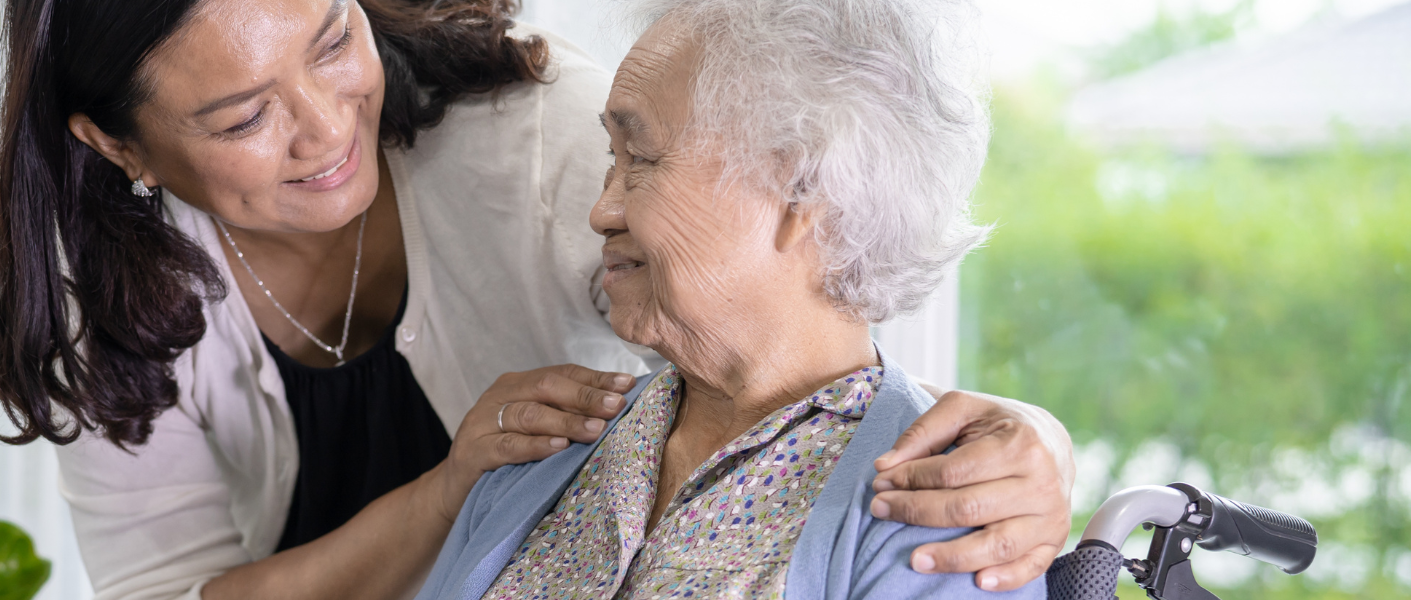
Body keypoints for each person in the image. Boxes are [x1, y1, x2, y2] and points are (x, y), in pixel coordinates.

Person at [0, 0, 1072, 598]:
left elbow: (834, 294)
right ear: (117, 145)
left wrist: (1033, 449)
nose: (327, 124)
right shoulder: (529, 471)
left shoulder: (546, 143)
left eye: (333, 39)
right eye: (243, 117)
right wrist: (448, 493)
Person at [416, 0, 1041, 597]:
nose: (601, 210)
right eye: (614, 155)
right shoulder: (545, 445)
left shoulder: (948, 507)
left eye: (643, 160)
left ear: (802, 193)